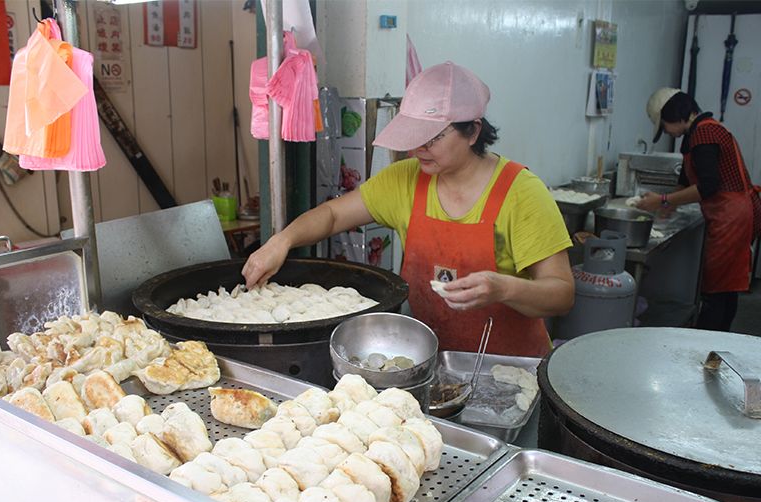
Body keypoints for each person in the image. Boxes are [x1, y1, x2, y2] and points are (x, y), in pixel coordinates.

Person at [242, 62, 574, 357]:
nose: (419, 149)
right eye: (415, 137)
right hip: (428, 362)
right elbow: (333, 215)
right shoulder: (406, 179)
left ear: (472, 131)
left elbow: (561, 294)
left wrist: (504, 288)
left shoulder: (520, 193)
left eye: (432, 138)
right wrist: (281, 241)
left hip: (511, 370)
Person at [637, 88, 757, 331]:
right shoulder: (696, 134)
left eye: (666, 126)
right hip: (730, 213)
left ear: (676, 115)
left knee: (718, 287)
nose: (668, 131)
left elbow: (708, 186)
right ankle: (717, 336)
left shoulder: (705, 133)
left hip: (731, 215)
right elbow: (686, 178)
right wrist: (669, 202)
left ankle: (712, 340)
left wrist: (663, 200)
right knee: (725, 285)